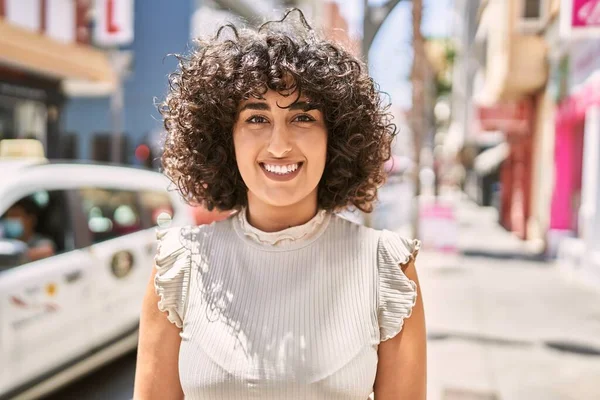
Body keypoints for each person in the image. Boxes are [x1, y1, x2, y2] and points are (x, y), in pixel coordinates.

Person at [134, 9, 426, 400]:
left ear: (335, 137)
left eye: (302, 117)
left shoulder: (386, 268)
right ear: (226, 137)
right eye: (257, 118)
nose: (278, 144)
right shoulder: (179, 267)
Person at [1, 197, 56, 262]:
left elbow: (47, 251)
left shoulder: (41, 241)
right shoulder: (6, 242)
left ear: (31, 220)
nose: (10, 220)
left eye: (15, 215)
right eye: (8, 216)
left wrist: (16, 257)